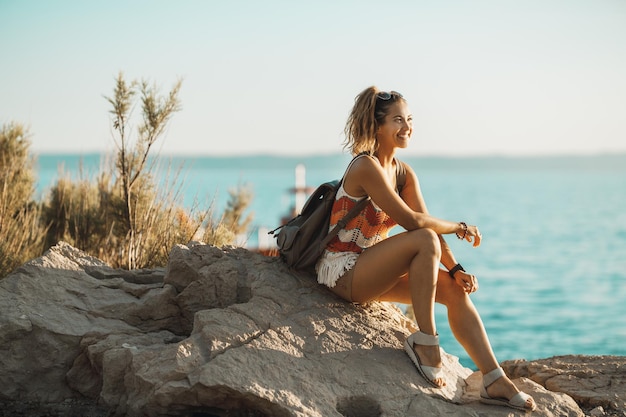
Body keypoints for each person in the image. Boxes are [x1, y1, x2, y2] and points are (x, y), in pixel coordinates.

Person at [315, 87, 536, 412]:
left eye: (410, 119)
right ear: (377, 127)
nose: (407, 127)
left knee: (453, 290)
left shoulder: (403, 173)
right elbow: (413, 221)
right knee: (424, 239)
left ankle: (494, 379)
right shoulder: (366, 166)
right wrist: (460, 227)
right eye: (398, 120)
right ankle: (426, 342)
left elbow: (424, 225)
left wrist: (456, 269)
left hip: (373, 270)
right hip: (343, 272)